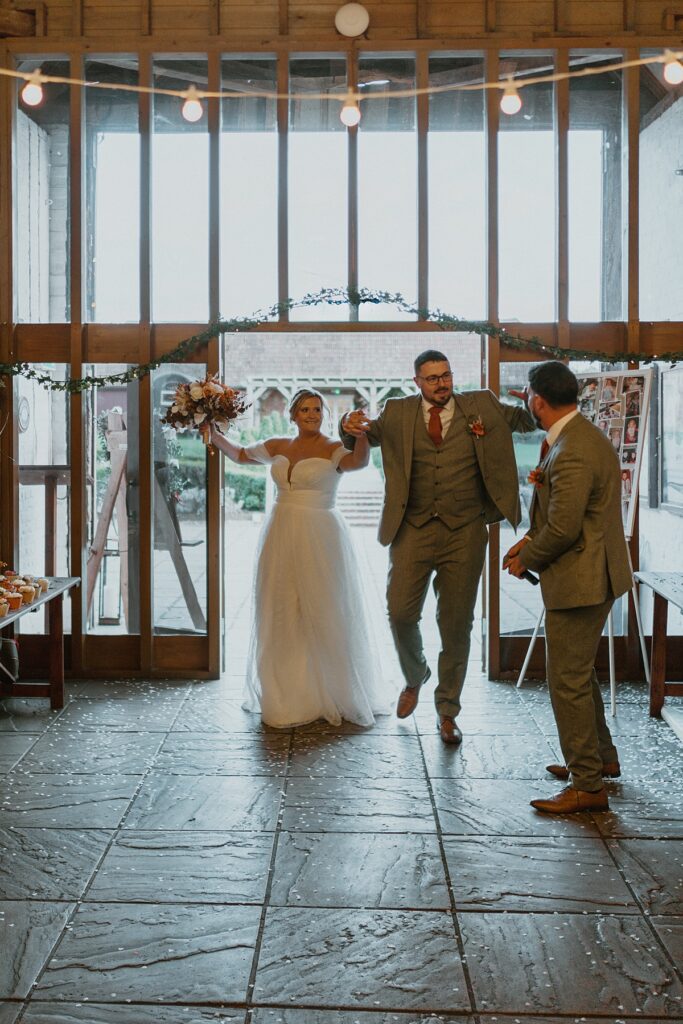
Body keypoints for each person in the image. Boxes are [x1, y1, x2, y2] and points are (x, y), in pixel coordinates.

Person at [341, 350, 535, 744]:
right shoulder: (397, 411)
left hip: (464, 531)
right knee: (399, 611)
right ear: (417, 382)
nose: (441, 384)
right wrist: (346, 423)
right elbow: (359, 436)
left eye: (445, 375)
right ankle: (416, 675)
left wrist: (531, 400)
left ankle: (448, 711)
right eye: (432, 378)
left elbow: (527, 422)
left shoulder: (480, 404)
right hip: (412, 528)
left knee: (456, 625)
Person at [207, 388, 390, 729]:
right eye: (305, 409)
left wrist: (362, 435)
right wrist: (213, 434)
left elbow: (359, 462)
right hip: (280, 531)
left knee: (323, 609)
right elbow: (241, 455)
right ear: (292, 415)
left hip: (321, 534)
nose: (312, 414)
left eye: (317, 409)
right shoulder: (277, 445)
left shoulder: (333, 448)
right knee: (281, 608)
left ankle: (332, 691)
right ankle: (288, 690)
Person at [504, 361, 632, 814]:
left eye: (527, 397)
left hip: (582, 579)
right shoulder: (580, 436)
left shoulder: (574, 448)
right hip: (591, 574)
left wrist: (526, 558)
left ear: (537, 399)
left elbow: (563, 528)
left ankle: (587, 785)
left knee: (567, 681)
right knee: (580, 673)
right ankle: (599, 760)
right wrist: (526, 542)